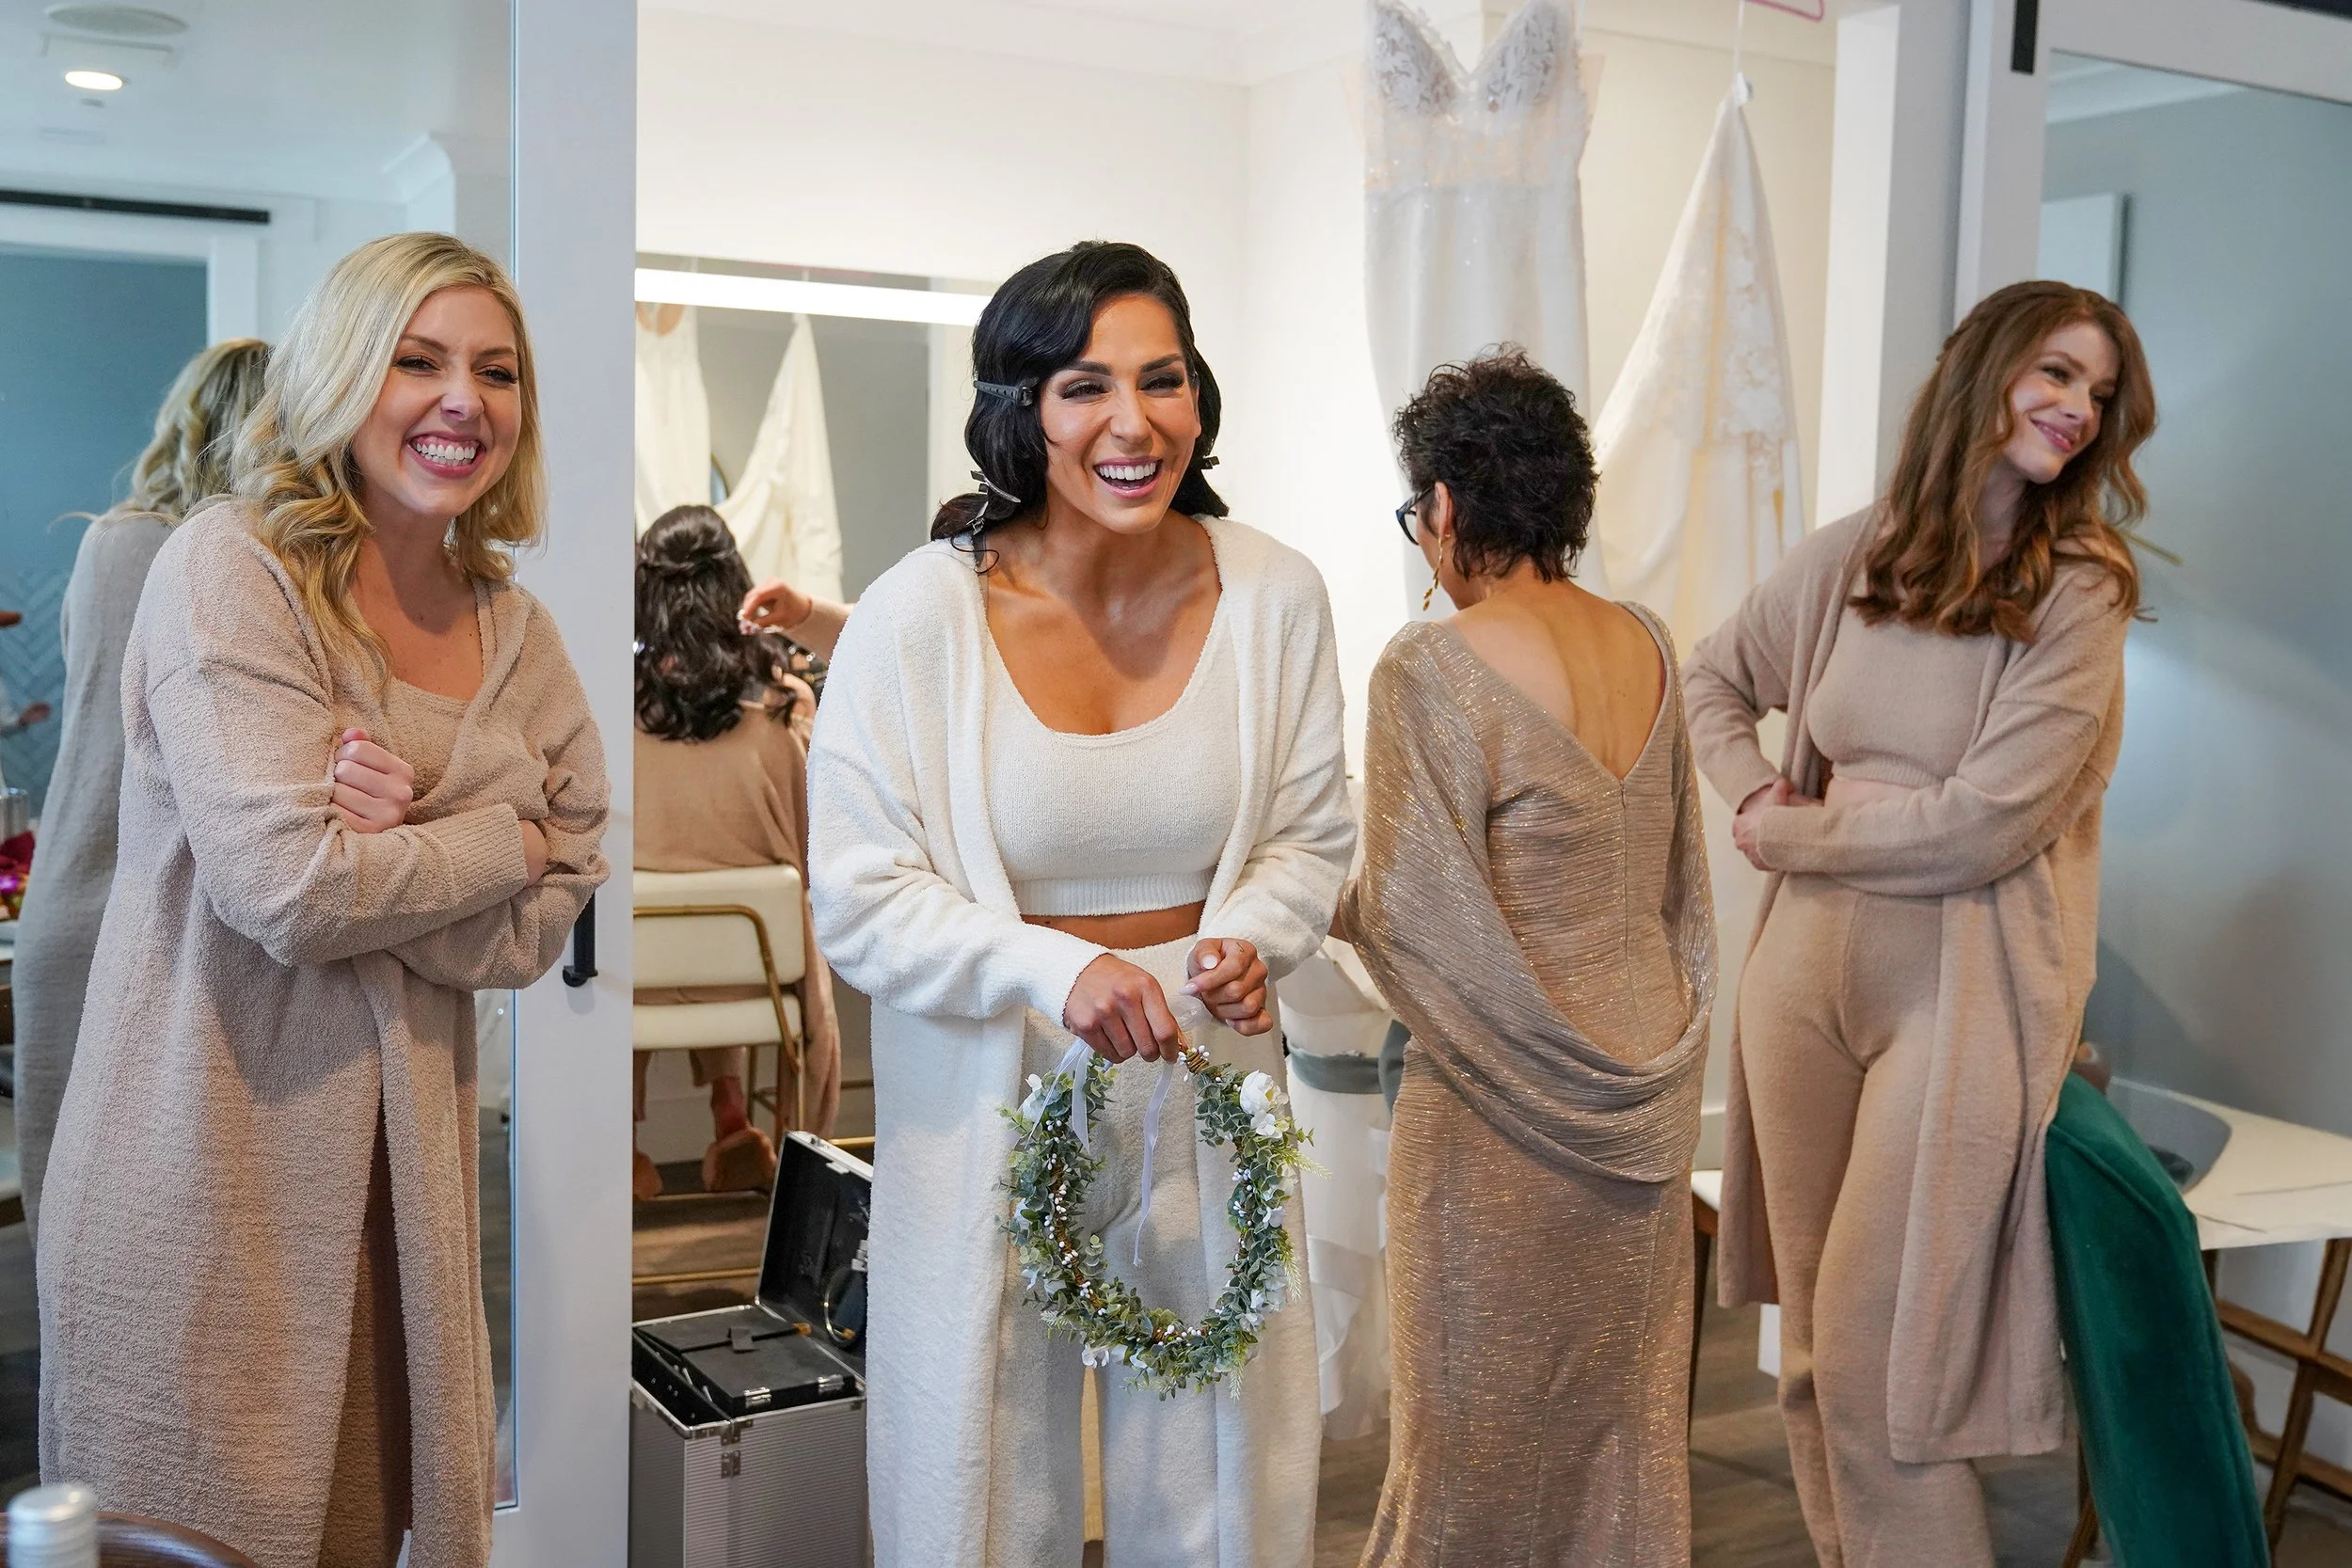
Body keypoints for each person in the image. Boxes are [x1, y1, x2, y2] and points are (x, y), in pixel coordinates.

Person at [36, 232, 609, 1568]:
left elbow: (564, 885)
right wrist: (494, 842)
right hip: (204, 1165)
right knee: (192, 1530)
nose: (462, 398)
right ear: (343, 370)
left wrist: (412, 834)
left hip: (395, 1196)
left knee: (357, 1527)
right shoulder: (230, 568)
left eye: (496, 369)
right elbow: (291, 888)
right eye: (418, 360)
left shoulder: (511, 622)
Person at [807, 241, 1353, 1568]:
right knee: (984, 1468)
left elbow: (1309, 836)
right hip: (993, 1092)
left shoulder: (1275, 594)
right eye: (1084, 386)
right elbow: (863, 894)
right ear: (1021, 410)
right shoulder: (917, 616)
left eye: (1162, 381)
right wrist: (1050, 969)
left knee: (1214, 1457)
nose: (1134, 422)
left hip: (1203, 1082)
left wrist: (1251, 937)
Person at [1682, 279, 2154, 1568]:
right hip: (1802, 976)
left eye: (2099, 394)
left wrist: (1795, 830)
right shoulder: (1857, 553)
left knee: (1891, 1358)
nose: (2077, 409)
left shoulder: (2079, 589)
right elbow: (1711, 676)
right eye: (2057, 373)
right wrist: (1751, 787)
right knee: (1815, 1356)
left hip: (1966, 979)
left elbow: (1985, 821)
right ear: (1985, 369)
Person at [1338, 351, 1716, 1566]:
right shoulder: (1648, 640)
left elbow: (1410, 915)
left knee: (1465, 1450)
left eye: (1417, 516)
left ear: (1445, 505)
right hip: (1646, 1101)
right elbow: (1670, 885)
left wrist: (1310, 896)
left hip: (1494, 1129)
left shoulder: (1430, 664)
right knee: (1622, 1438)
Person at [13, 335, 269, 1236]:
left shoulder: (110, 544)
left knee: (67, 1221)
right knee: (157, 1230)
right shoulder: (231, 566)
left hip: (65, 908)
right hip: (160, 921)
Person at [634, 502, 840, 1197]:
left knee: (633, 931)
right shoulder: (785, 704)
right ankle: (732, 1113)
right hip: (764, 983)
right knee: (724, 910)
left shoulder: (609, 707)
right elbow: (818, 848)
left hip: (634, 976)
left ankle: (623, 1140)